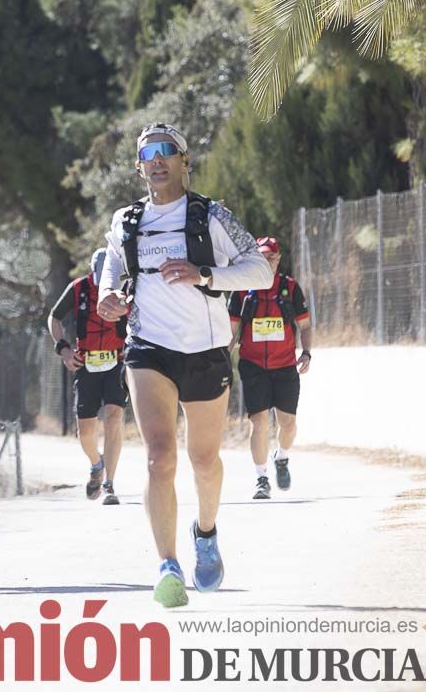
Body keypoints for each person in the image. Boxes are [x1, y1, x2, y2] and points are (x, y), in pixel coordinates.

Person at [97, 123, 272, 608]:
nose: (157, 160)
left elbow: (260, 268)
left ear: (183, 160)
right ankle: (167, 565)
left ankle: (207, 532)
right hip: (147, 347)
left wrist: (206, 274)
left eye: (166, 151)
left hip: (206, 349)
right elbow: (111, 266)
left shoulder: (210, 215)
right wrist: (110, 294)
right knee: (159, 456)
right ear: (138, 167)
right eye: (147, 154)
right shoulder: (126, 221)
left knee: (203, 460)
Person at [229, 236, 312, 499]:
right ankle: (261, 478)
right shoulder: (242, 290)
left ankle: (282, 457)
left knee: (288, 424)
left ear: (278, 259)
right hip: (253, 365)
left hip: (285, 365)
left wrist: (307, 352)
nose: (267, 261)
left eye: (271, 257)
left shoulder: (290, 288)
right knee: (259, 421)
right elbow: (232, 330)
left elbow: (305, 326)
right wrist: (222, 356)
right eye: (262, 256)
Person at [47, 248, 127, 505]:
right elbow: (54, 317)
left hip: (117, 362)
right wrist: (64, 349)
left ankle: (109, 484)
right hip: (86, 364)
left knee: (114, 418)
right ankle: (96, 463)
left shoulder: (125, 289)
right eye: (97, 276)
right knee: (86, 431)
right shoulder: (79, 287)